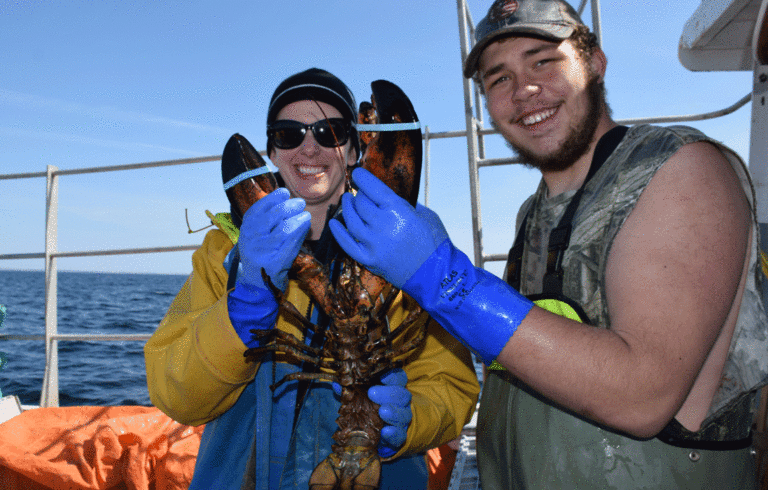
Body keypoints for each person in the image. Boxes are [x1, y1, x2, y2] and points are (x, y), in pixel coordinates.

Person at [328, 1, 768, 488]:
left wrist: (443, 280)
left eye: (544, 61)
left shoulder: (680, 169)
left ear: (595, 63)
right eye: (499, 79)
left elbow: (643, 395)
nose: (524, 91)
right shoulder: (532, 214)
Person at [144, 68, 480, 489]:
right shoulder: (224, 253)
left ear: (357, 150)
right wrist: (242, 309)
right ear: (271, 153)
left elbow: (452, 383)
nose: (309, 146)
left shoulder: (411, 241)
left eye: (330, 131)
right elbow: (177, 396)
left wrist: (413, 419)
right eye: (288, 134)